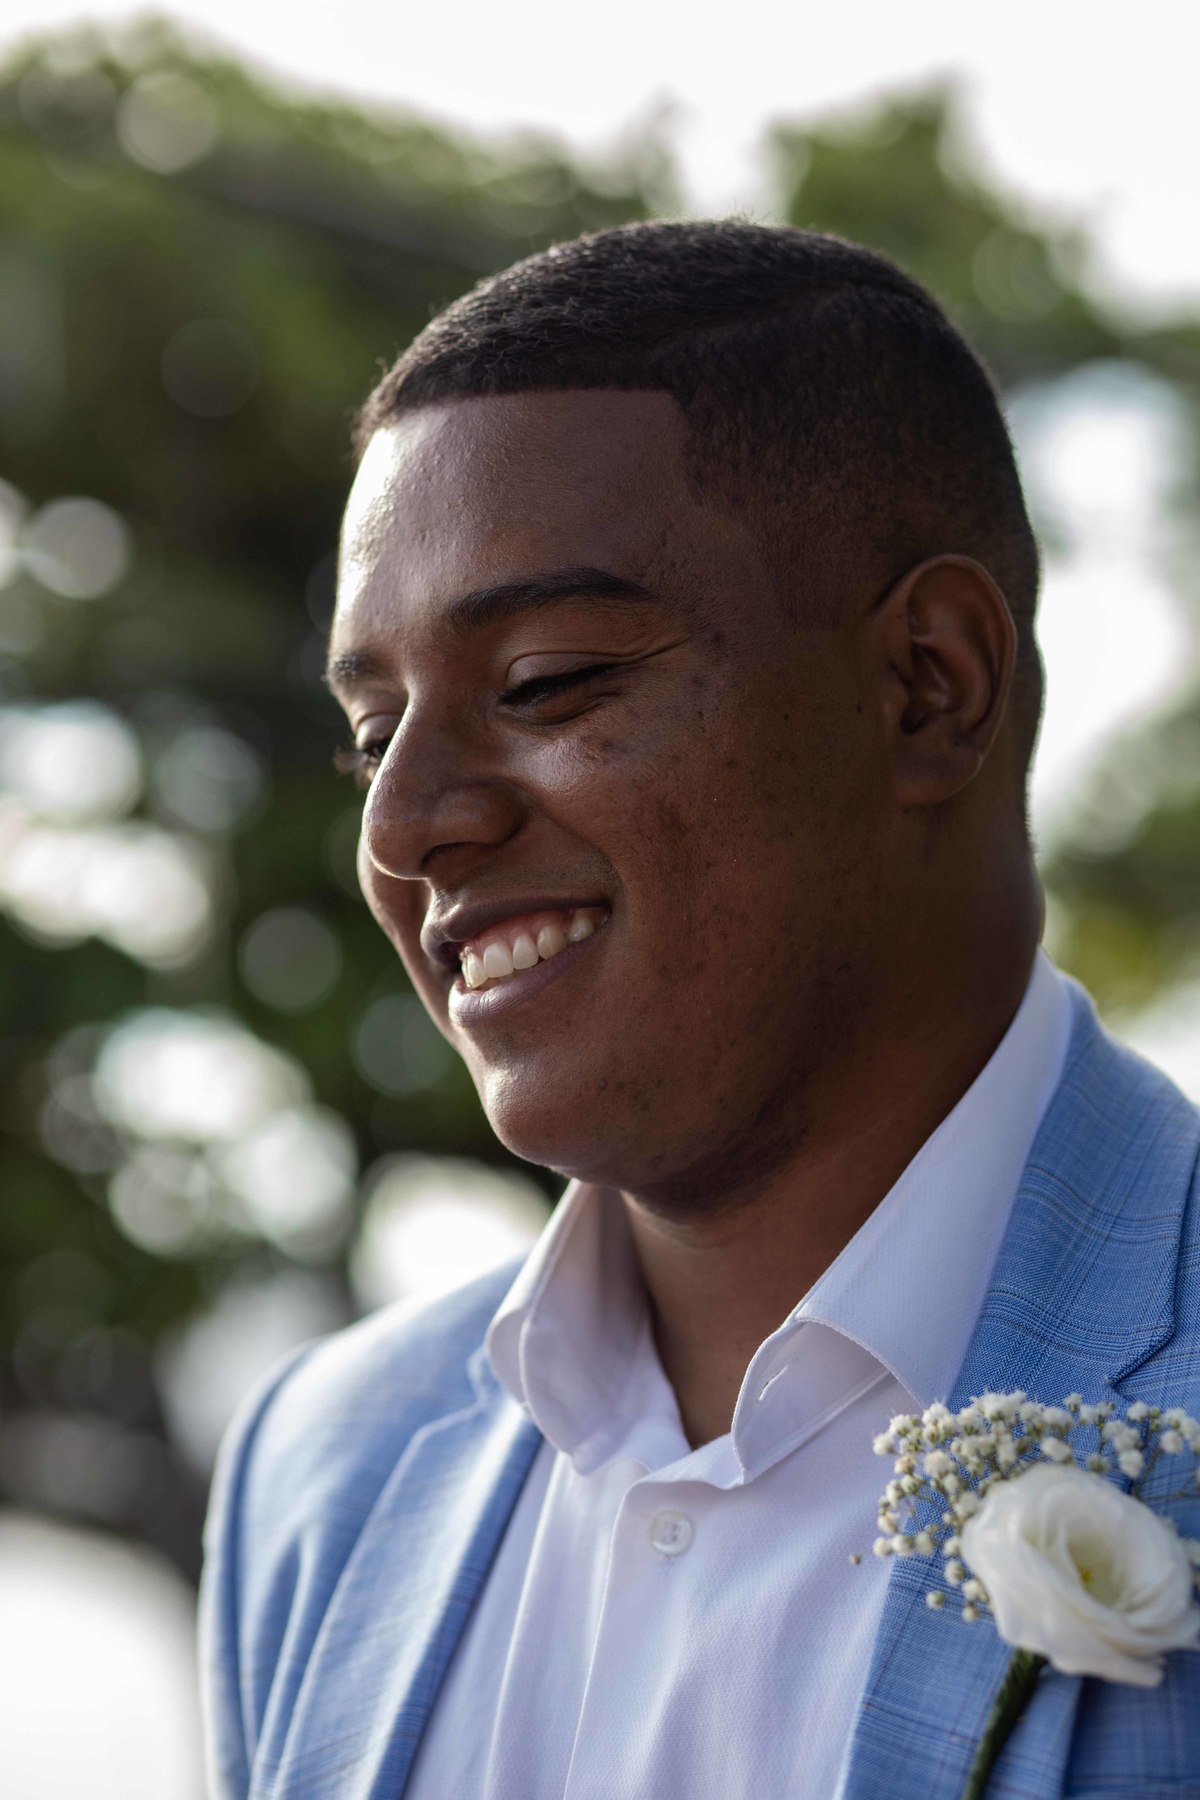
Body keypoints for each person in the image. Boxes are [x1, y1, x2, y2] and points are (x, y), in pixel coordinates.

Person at [199, 221, 1200, 1799]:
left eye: (544, 681)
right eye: (372, 729)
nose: (402, 828)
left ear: (930, 686)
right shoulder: (323, 1467)